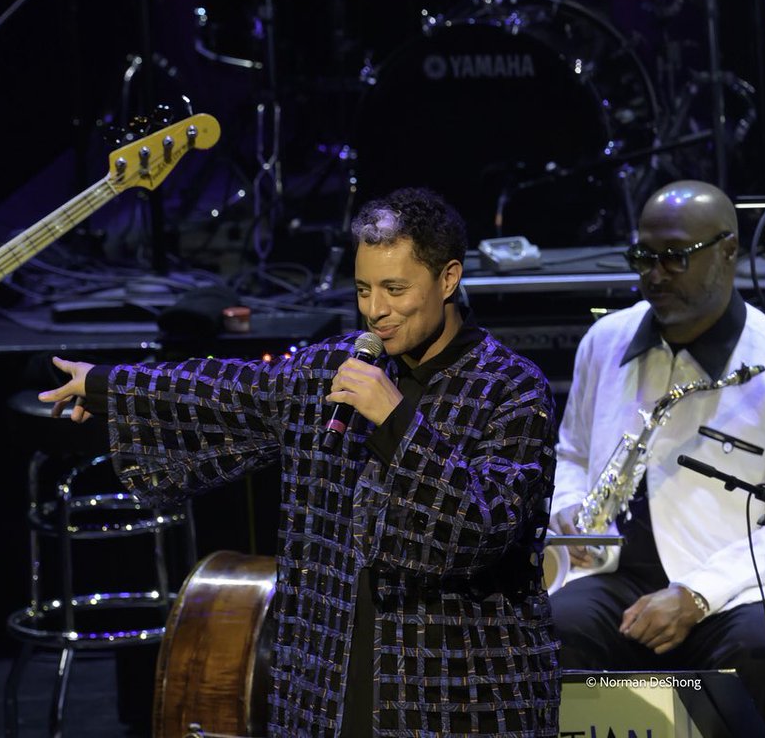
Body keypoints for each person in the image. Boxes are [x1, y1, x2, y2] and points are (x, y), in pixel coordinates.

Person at [41, 188, 561, 736]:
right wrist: (108, 387)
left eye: (394, 289)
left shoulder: (513, 389)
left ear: (448, 279)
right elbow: (229, 395)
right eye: (363, 289)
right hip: (330, 688)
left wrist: (398, 421)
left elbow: (477, 531)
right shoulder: (332, 370)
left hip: (463, 694)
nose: (375, 310)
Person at [549, 180, 765, 729]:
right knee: (552, 631)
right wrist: (570, 507)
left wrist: (699, 595)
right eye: (644, 256)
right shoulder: (605, 339)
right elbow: (572, 451)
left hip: (733, 583)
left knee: (758, 648)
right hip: (613, 572)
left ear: (728, 251)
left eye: (674, 258)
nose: (653, 273)